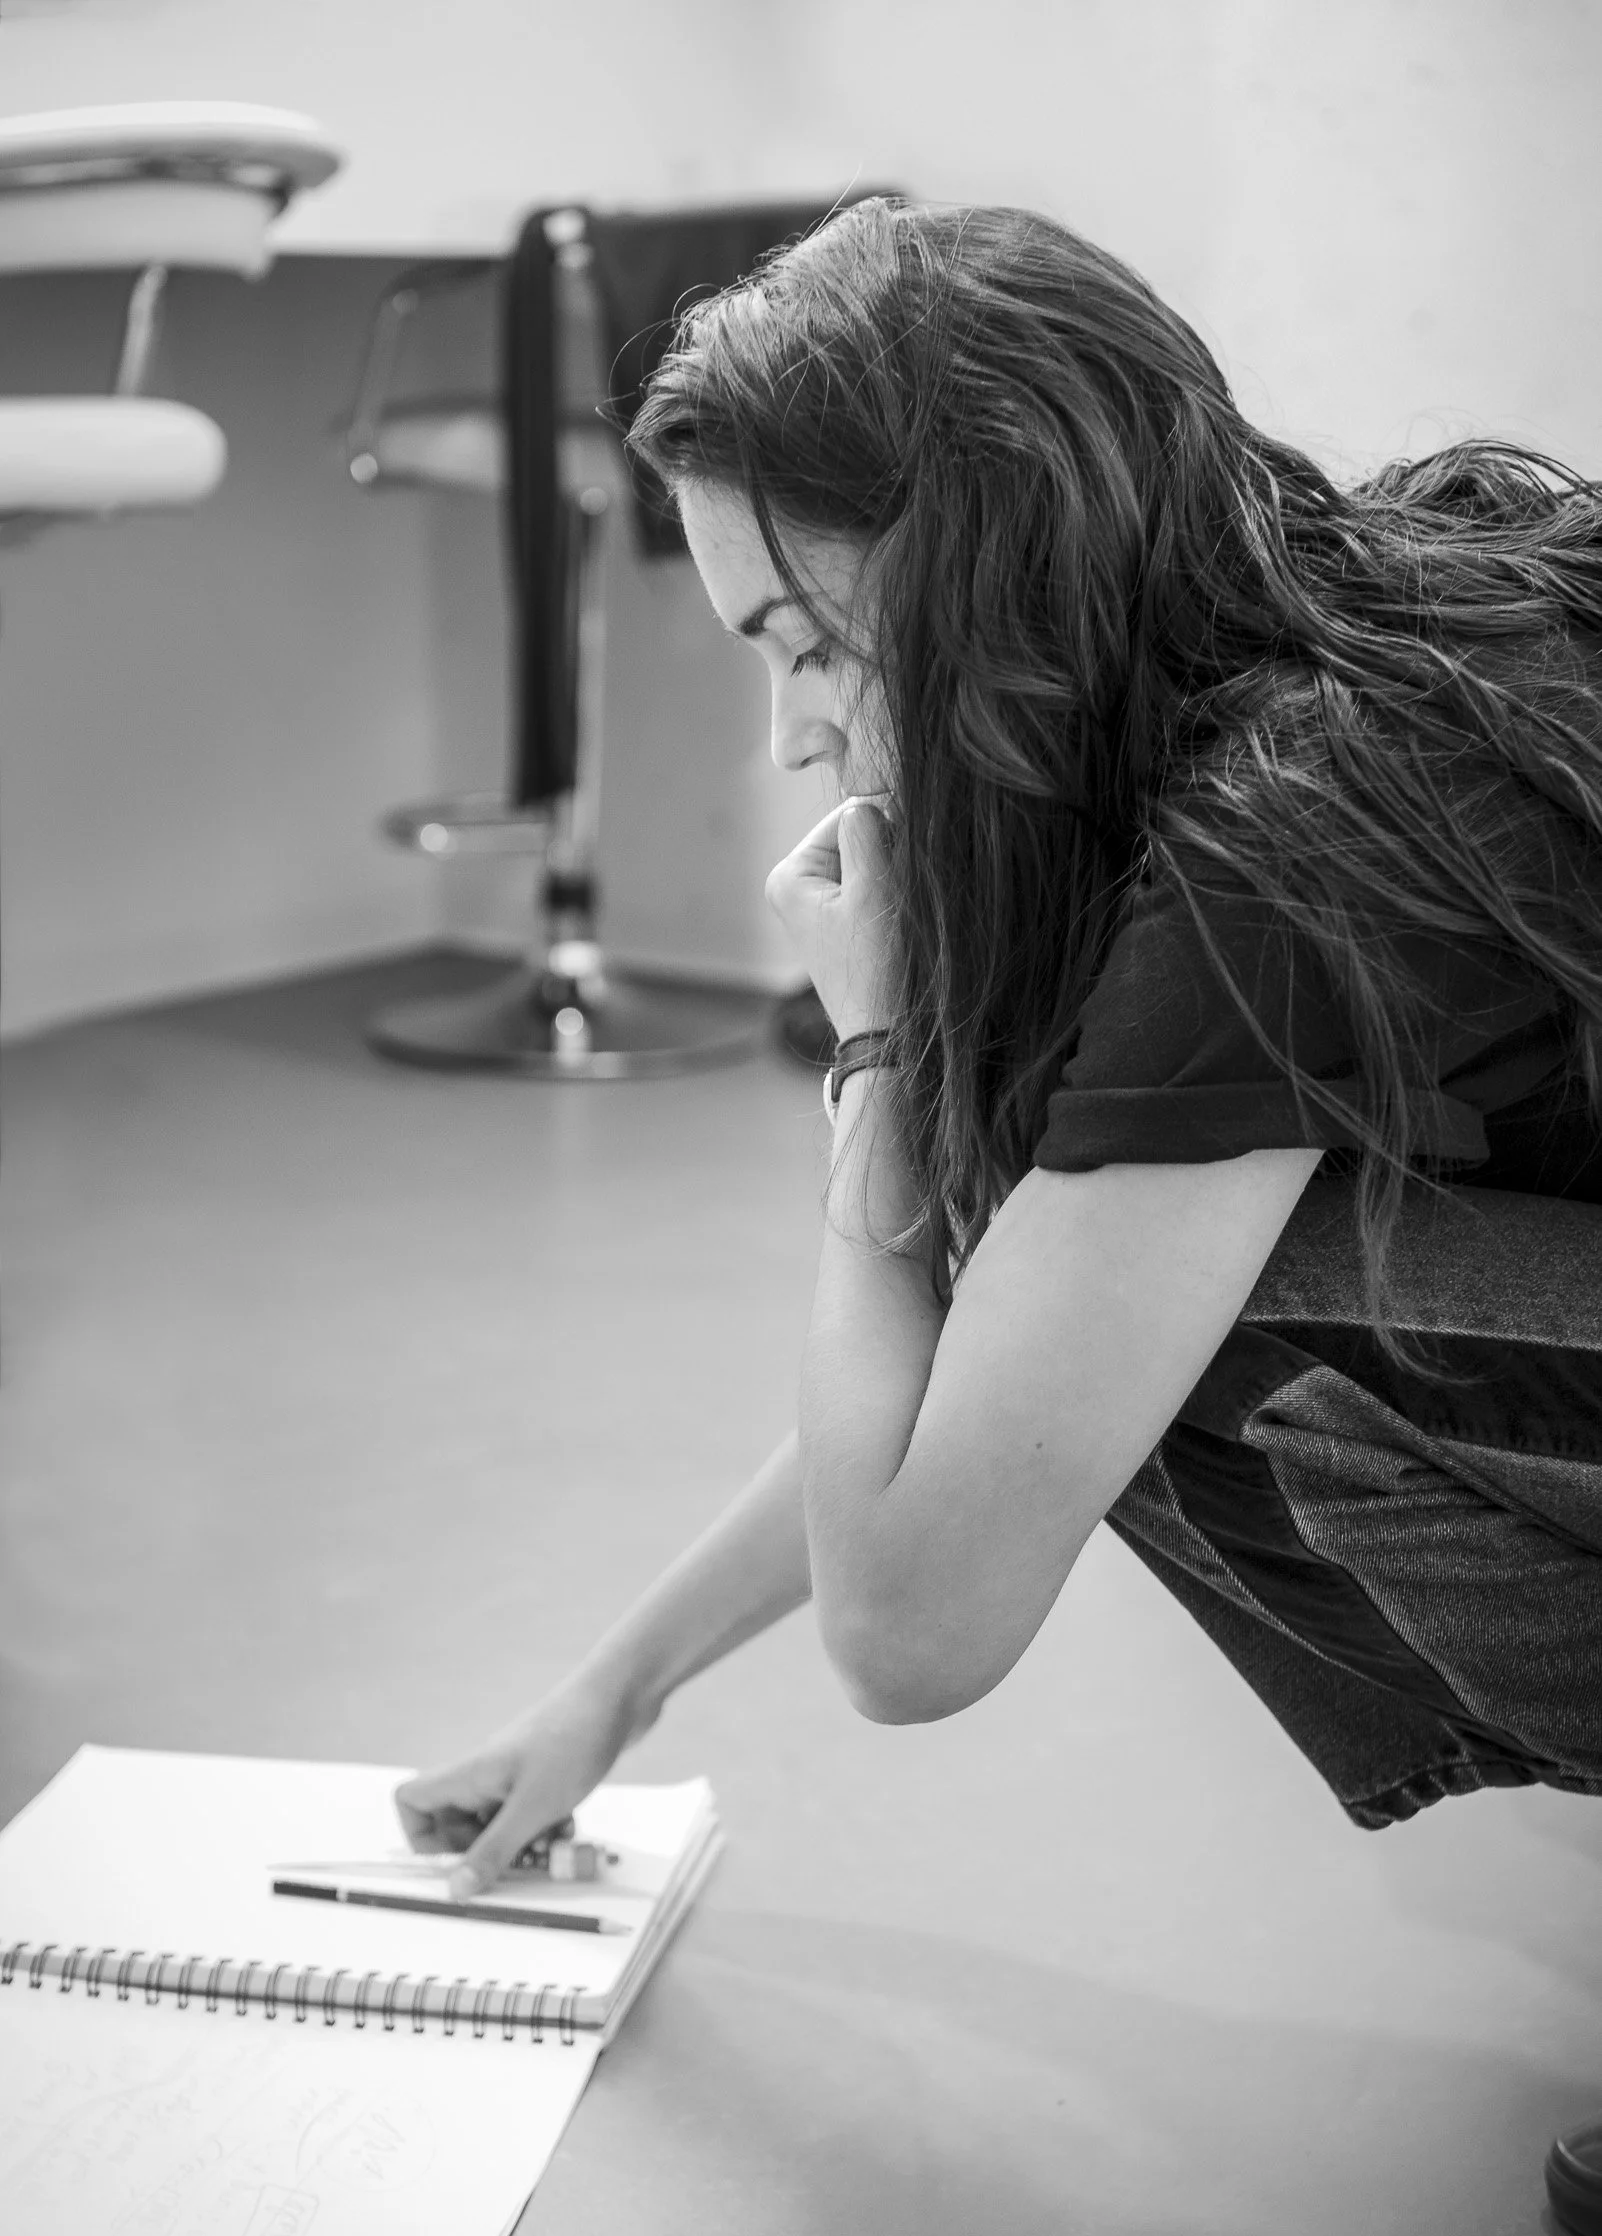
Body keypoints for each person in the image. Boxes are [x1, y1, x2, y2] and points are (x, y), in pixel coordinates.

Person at [397, 198, 1602, 1907]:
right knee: (1134, 1281)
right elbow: (1025, 1332)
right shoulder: (1309, 665)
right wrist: (615, 1688)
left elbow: (910, 1621)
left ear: (986, 565)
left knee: (1226, 1339)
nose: (790, 729)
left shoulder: (1293, 843)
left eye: (805, 642)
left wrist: (875, 1060)